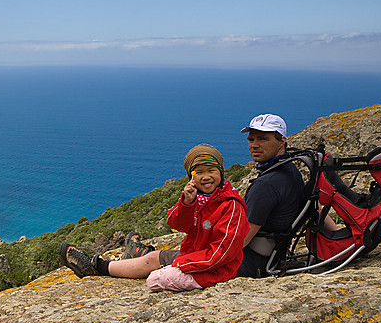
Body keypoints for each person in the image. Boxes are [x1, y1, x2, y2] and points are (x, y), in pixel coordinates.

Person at [59, 144, 249, 292]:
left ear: (221, 173)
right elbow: (176, 223)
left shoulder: (231, 205)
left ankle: (134, 255)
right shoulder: (200, 199)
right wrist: (187, 204)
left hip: (215, 270)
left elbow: (222, 254)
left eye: (212, 171)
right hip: (195, 258)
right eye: (198, 172)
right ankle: (95, 266)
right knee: (152, 259)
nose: (206, 177)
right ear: (191, 177)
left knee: (155, 279)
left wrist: (181, 264)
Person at [236, 114, 307, 278]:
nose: (254, 145)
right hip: (273, 258)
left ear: (282, 141)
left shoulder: (267, 184)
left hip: (250, 263)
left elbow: (242, 239)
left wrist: (207, 254)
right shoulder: (290, 171)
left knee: (165, 257)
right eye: (251, 139)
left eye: (263, 139)